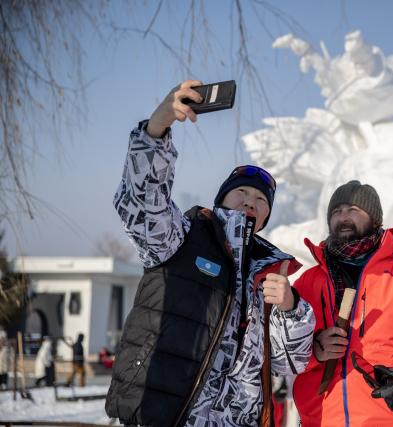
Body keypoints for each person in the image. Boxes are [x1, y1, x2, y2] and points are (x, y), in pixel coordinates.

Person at [105, 80, 315, 427]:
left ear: (265, 216)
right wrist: (157, 130)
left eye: (261, 199)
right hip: (167, 414)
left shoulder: (271, 272)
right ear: (221, 199)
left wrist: (291, 310)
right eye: (242, 192)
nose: (251, 200)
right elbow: (143, 207)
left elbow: (286, 362)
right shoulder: (182, 239)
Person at [293, 180, 393, 426]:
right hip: (321, 418)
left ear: (376, 220)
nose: (343, 217)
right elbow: (283, 347)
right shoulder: (308, 282)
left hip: (388, 418)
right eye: (336, 212)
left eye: (353, 210)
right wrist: (314, 350)